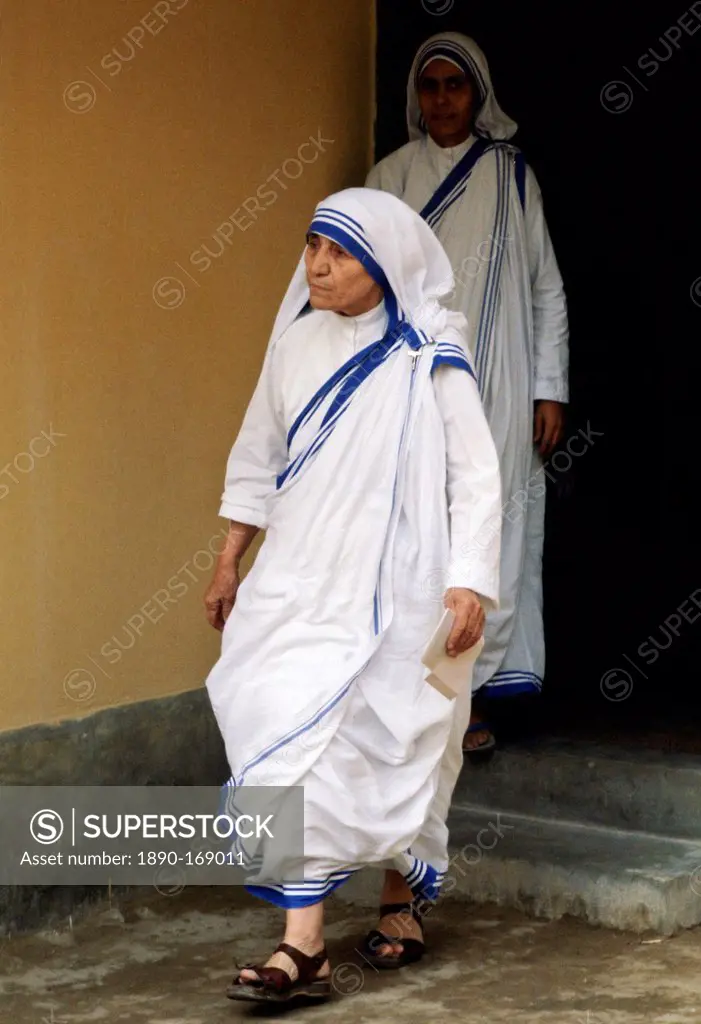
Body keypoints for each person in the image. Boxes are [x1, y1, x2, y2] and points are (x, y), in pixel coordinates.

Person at [203, 187, 501, 1004]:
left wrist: (470, 578)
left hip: (403, 586)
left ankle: (398, 901)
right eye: (312, 247)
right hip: (299, 583)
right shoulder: (294, 347)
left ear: (386, 264)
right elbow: (257, 452)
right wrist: (231, 558)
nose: (318, 265)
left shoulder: (427, 349)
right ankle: (305, 946)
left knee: (400, 745)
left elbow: (475, 471)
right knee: (281, 726)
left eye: (340, 253)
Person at [366, 32, 569, 759]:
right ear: (417, 97)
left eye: (456, 85)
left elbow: (545, 285)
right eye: (432, 86)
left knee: (494, 531)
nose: (443, 99)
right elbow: (370, 288)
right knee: (420, 535)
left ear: (477, 94)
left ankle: (474, 695)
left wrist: (550, 387)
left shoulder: (514, 177)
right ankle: (420, 702)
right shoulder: (390, 177)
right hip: (418, 389)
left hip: (505, 385)